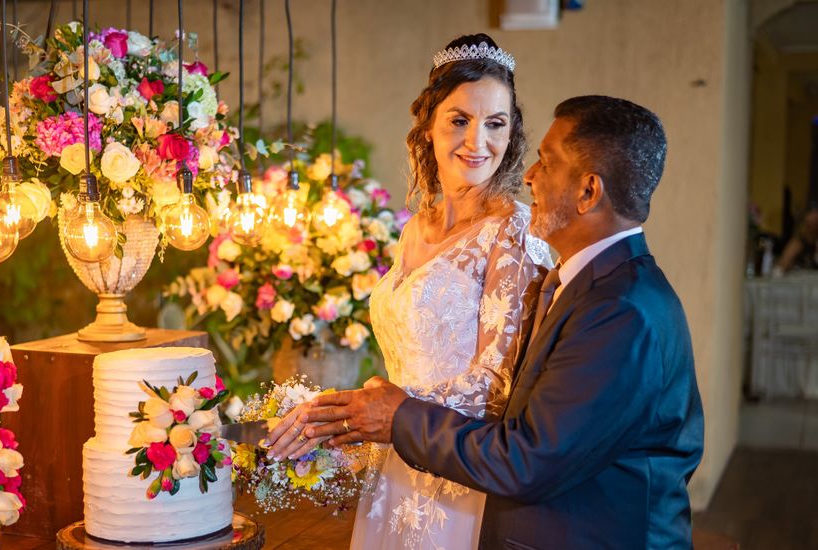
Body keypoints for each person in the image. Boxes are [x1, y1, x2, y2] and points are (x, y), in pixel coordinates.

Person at [288, 96, 705, 549]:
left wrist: (399, 416)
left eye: (546, 163)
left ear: (588, 192)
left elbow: (528, 460)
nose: (528, 175)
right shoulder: (586, 283)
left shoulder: (623, 312)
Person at [267, 34, 551, 549]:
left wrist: (372, 410)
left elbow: (499, 386)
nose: (477, 141)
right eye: (459, 120)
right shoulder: (414, 228)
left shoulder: (513, 231)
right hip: (392, 466)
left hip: (457, 475)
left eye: (495, 123)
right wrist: (350, 420)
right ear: (428, 128)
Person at [774, 205, 818, 274]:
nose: (813, 229)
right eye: (809, 225)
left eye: (815, 224)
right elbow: (780, 267)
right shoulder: (798, 242)